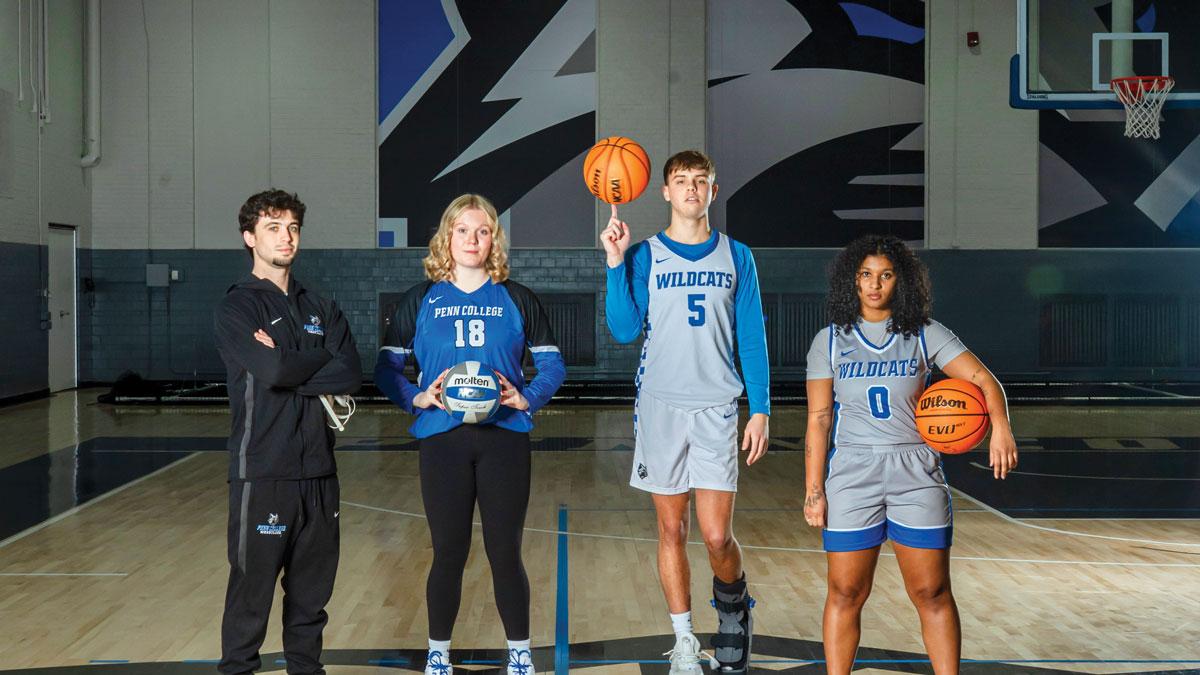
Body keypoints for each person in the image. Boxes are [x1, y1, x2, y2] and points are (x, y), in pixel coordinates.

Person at [802, 234, 1019, 674]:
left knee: (932, 592)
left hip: (915, 473)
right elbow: (819, 420)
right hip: (851, 472)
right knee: (845, 593)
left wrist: (1001, 427)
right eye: (866, 275)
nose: (875, 285)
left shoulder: (925, 333)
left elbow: (981, 378)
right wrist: (813, 490)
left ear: (901, 281)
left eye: (885, 275)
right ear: (852, 282)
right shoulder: (828, 341)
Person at [375, 194, 566, 675]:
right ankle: (438, 652)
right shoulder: (421, 298)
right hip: (442, 439)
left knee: (505, 551)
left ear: (493, 239)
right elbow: (386, 367)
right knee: (449, 552)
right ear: (446, 236)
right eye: (463, 230)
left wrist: (528, 398)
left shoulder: (517, 297)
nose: (472, 240)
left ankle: (519, 653)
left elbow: (552, 363)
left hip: (504, 438)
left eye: (482, 231)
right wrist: (414, 398)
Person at [601, 150, 769, 674]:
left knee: (717, 535)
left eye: (701, 181)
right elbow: (625, 330)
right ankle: (684, 642)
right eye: (681, 181)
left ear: (713, 192)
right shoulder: (646, 253)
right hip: (660, 405)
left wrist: (760, 408)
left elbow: (752, 336)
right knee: (671, 529)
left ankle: (734, 607)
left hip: (718, 405)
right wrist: (614, 262)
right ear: (666, 193)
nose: (691, 189)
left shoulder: (737, 256)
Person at [214, 189, 362, 675]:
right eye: (273, 227)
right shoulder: (238, 308)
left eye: (293, 227)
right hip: (263, 473)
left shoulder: (320, 304)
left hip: (320, 474)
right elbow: (272, 372)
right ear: (249, 237)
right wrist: (306, 363)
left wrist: (287, 361)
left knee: (311, 600)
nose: (286, 237)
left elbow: (349, 373)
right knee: (251, 595)